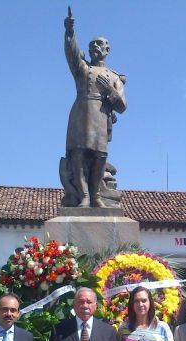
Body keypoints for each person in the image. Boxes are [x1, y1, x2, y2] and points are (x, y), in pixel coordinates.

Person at [61, 7, 127, 208]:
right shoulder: (84, 69)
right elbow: (72, 55)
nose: (95, 47)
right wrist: (70, 33)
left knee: (100, 156)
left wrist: (111, 92)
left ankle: (96, 195)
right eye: (92, 45)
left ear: (107, 49)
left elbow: (123, 106)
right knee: (79, 154)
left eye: (99, 44)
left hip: (100, 115)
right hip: (81, 112)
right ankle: (84, 197)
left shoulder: (115, 77)